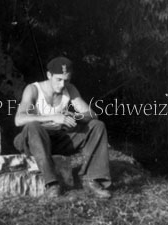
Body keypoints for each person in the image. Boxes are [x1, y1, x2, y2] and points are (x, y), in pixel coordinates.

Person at [14, 56, 111, 199]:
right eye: (58, 79)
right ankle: (52, 184)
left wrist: (74, 116)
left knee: (97, 126)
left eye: (66, 80)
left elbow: (92, 114)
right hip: (34, 140)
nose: (62, 84)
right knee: (33, 126)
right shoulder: (33, 89)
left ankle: (92, 180)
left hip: (58, 140)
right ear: (49, 75)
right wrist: (53, 117)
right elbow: (19, 119)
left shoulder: (69, 89)